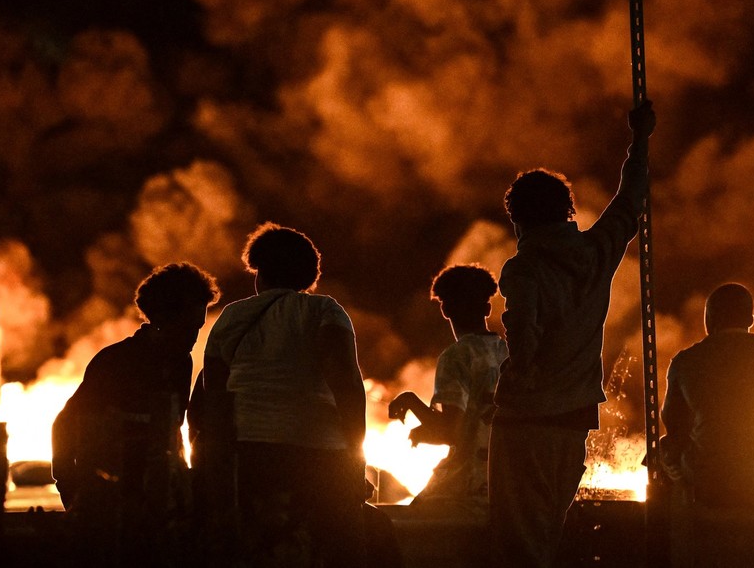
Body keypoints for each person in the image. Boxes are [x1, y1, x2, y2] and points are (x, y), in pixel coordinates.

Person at [489, 101, 654, 567]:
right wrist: (639, 139)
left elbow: (523, 337)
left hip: (525, 417)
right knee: (549, 528)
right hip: (574, 415)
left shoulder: (524, 269)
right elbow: (630, 202)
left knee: (515, 534)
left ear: (518, 219)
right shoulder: (596, 252)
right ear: (567, 210)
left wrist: (514, 378)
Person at [196, 222, 366, 567]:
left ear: (260, 271)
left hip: (246, 456)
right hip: (317, 452)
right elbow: (347, 383)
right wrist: (355, 456)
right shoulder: (324, 311)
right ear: (308, 274)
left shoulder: (231, 316)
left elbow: (211, 394)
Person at [52, 262, 220, 565]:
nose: (195, 337)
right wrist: (71, 488)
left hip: (162, 503)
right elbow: (64, 424)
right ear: (164, 318)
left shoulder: (181, 363)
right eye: (190, 327)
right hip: (116, 502)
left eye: (199, 328)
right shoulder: (113, 362)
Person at [659, 283, 754, 507]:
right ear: (750, 320)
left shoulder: (686, 360)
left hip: (709, 480)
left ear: (709, 319)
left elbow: (673, 423)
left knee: (661, 451)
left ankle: (675, 533)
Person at [388, 264, 507, 516]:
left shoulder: (456, 356)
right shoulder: (507, 353)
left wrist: (411, 401)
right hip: (504, 485)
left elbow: (451, 432)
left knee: (405, 525)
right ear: (487, 308)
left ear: (445, 309)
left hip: (464, 485)